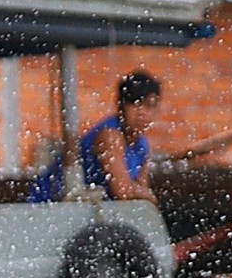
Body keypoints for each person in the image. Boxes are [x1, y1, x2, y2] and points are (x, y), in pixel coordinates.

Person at [29, 69, 162, 203]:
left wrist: (144, 194)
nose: (142, 113)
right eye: (135, 104)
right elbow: (122, 191)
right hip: (49, 207)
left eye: (149, 106)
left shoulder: (143, 146)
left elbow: (141, 197)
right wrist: (147, 195)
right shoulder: (109, 136)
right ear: (120, 106)